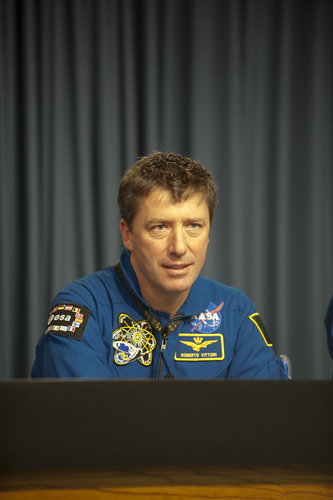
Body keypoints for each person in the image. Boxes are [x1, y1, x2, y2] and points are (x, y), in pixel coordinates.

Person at [32, 151, 290, 379]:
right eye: (160, 227)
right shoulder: (83, 308)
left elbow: (260, 423)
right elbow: (84, 423)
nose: (179, 247)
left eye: (193, 226)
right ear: (128, 235)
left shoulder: (235, 312)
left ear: (209, 232)